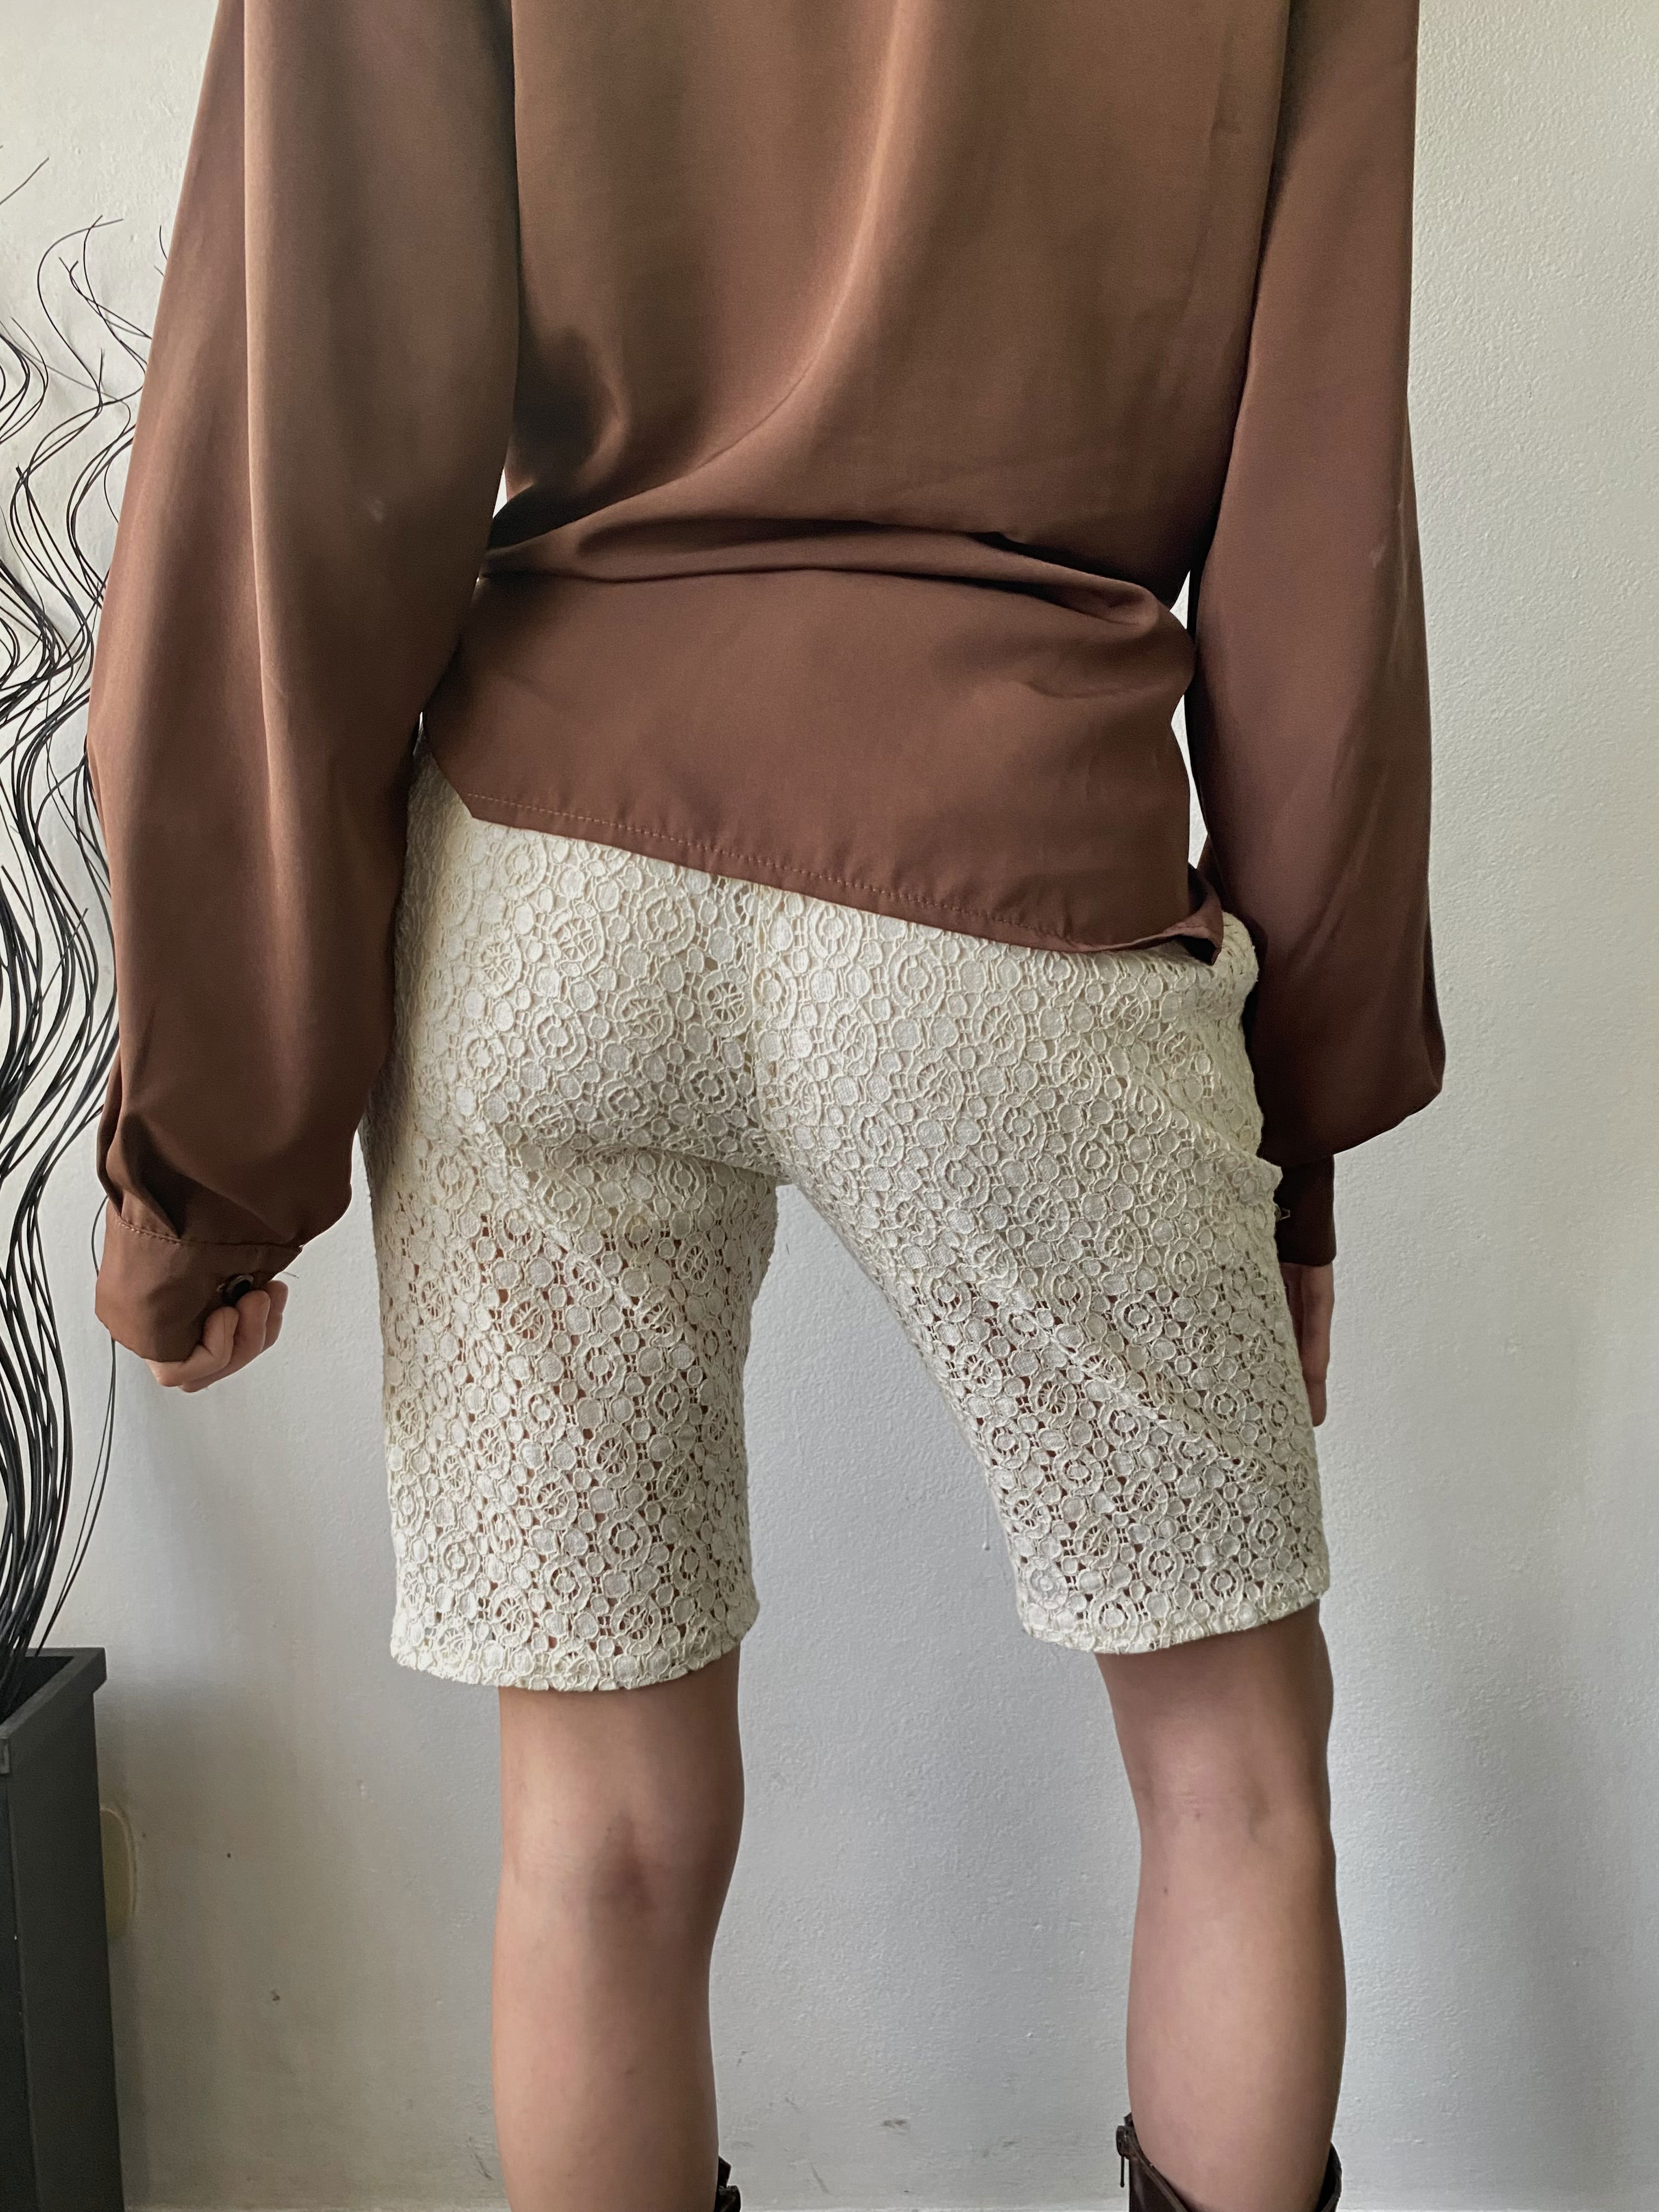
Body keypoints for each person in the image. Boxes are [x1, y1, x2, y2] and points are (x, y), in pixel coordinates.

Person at [84, 3, 1443, 2208]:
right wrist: (1297, 1138)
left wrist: (208, 1158)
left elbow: (302, 415)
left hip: (550, 869)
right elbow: (1320, 516)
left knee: (595, 1836)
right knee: (1236, 1778)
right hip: (1008, 852)